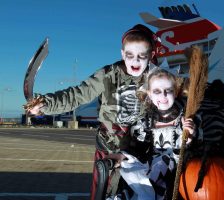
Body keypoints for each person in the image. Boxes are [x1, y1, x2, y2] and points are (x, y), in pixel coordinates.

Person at [23, 24, 159, 200]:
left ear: (151, 55)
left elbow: (176, 102)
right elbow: (76, 95)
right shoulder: (106, 75)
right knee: (105, 192)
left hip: (141, 150)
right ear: (122, 53)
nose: (135, 61)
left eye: (142, 56)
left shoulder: (157, 78)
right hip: (110, 147)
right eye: (130, 55)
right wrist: (45, 104)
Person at [112, 68, 201, 200]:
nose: (163, 96)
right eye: (157, 91)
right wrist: (122, 156)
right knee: (133, 180)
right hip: (153, 166)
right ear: (149, 94)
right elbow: (138, 147)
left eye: (168, 91)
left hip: (182, 170)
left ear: (175, 92)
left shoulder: (189, 117)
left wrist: (191, 137)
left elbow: (200, 149)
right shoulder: (147, 120)